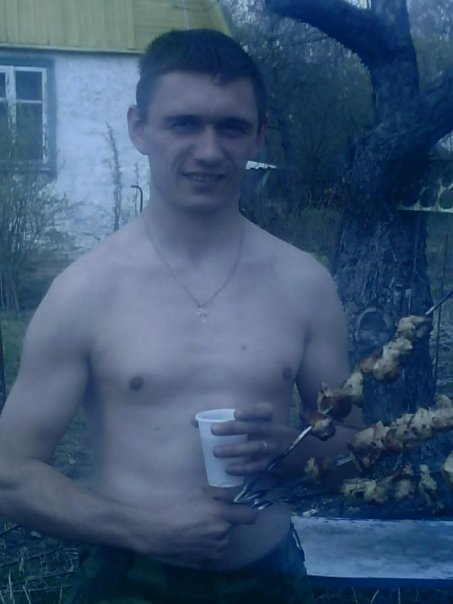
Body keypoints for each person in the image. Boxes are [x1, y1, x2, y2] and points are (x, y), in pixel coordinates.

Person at [0, 29, 362, 603]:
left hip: (269, 580)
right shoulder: (85, 291)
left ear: (259, 135)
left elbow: (355, 449)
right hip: (127, 580)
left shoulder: (304, 284)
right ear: (139, 128)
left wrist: (292, 449)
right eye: (184, 124)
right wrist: (141, 529)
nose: (209, 150)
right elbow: (12, 474)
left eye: (232, 127)